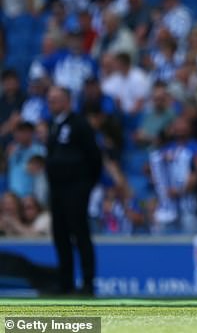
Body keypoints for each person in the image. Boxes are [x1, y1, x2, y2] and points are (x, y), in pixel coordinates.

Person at [45, 86, 103, 295]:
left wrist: (87, 184)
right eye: (50, 100)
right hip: (57, 189)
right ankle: (66, 283)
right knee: (60, 235)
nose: (52, 104)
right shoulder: (53, 125)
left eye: (56, 99)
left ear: (68, 101)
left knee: (80, 234)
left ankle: (88, 283)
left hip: (76, 188)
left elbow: (94, 156)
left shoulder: (79, 124)